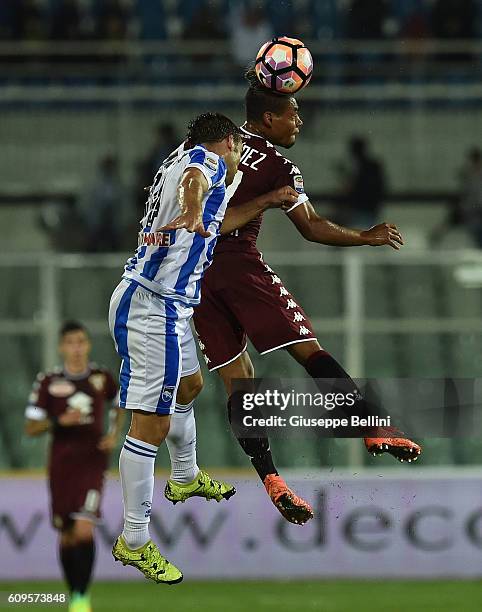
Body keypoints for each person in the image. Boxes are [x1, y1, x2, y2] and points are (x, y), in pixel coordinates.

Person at [193, 69, 422, 526]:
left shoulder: (209, 145)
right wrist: (365, 237)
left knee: (239, 381)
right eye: (293, 113)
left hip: (191, 275)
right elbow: (313, 227)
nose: (299, 122)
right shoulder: (279, 168)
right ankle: (373, 428)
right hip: (236, 264)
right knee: (307, 347)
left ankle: (271, 479)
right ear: (269, 118)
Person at [108, 112, 299, 584]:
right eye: (238, 152)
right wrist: (192, 210)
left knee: (190, 386)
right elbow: (198, 181)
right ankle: (133, 540)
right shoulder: (204, 162)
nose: (239, 162)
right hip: (153, 307)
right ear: (229, 143)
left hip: (164, 305)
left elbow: (219, 218)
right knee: (151, 424)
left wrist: (270, 199)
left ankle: (185, 475)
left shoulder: (178, 160)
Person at [24, 321, 123, 612]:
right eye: (70, 343)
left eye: (81, 342)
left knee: (83, 528)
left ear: (88, 345)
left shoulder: (101, 377)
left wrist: (113, 433)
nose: (76, 348)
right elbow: (31, 427)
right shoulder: (48, 381)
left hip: (92, 461)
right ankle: (75, 595)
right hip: (61, 462)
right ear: (61, 347)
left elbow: (120, 402)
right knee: (66, 532)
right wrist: (58, 422)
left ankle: (82, 598)